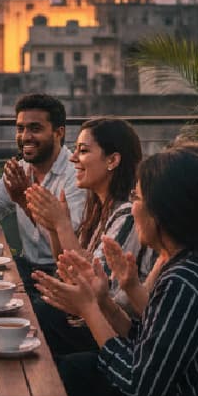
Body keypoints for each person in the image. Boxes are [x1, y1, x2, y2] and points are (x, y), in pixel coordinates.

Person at [36, 147, 198, 396]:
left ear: (162, 212)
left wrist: (89, 309)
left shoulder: (188, 279)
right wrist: (104, 302)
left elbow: (138, 385)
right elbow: (154, 346)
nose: (132, 206)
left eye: (136, 197)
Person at [25, 117, 153, 357]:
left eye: (83, 151)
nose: (73, 158)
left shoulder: (127, 214)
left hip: (113, 329)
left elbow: (91, 286)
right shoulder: (98, 208)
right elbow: (69, 270)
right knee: (27, 305)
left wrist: (62, 225)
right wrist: (54, 229)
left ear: (112, 160)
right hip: (89, 317)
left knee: (33, 313)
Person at [0, 93, 86, 290]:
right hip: (26, 268)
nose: (26, 136)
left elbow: (68, 246)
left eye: (35, 129)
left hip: (61, 276)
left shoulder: (75, 175)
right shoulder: (21, 170)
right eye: (20, 128)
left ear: (58, 132)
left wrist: (23, 201)